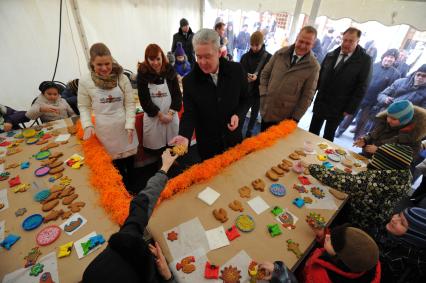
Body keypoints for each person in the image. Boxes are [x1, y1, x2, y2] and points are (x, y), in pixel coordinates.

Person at [83, 149, 178, 283]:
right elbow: (140, 206)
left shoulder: (91, 275)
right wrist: (168, 277)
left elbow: (140, 206)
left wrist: (164, 168)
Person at [170, 29, 250, 161]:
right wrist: (184, 135)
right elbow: (190, 113)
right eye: (198, 56)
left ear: (219, 52)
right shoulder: (189, 81)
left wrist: (238, 114)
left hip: (233, 139)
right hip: (208, 146)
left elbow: (246, 99)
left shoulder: (236, 70)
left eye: (207, 56)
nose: (202, 62)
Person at [309, 143, 413, 231]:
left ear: (385, 164)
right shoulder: (405, 175)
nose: (372, 158)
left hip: (362, 219)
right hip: (381, 213)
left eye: (376, 157)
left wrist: (312, 167)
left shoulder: (374, 183)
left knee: (341, 228)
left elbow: (339, 181)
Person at [78, 43, 138, 191]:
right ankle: (121, 189)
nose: (104, 68)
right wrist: (87, 125)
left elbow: (130, 104)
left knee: (130, 160)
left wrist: (130, 124)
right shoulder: (85, 81)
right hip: (104, 129)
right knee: (115, 164)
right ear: (92, 63)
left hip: (124, 125)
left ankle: (133, 186)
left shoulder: (122, 78)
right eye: (99, 64)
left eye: (107, 64)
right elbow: (84, 106)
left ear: (112, 61)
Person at [309, 27, 372, 142]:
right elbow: (319, 77)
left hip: (340, 106)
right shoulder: (331, 54)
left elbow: (362, 87)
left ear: (358, 41)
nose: (346, 44)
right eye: (345, 40)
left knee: (328, 135)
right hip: (322, 101)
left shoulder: (365, 60)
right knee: (312, 131)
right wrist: (311, 96)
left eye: (351, 41)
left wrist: (350, 109)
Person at [259, 26, 320, 131]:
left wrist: (295, 118)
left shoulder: (313, 66)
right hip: (267, 109)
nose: (302, 45)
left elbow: (307, 97)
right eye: (301, 41)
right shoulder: (280, 53)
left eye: (308, 43)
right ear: (296, 38)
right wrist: (264, 94)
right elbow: (265, 74)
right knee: (261, 142)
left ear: (313, 44)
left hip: (285, 117)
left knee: (278, 146)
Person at [335, 49, 401, 139]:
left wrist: (381, 103)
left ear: (395, 60)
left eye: (392, 58)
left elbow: (392, 90)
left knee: (363, 120)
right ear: (383, 57)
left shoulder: (395, 74)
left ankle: (357, 137)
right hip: (360, 96)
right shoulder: (372, 66)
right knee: (349, 116)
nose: (389, 59)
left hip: (373, 101)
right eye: (388, 56)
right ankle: (340, 131)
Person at [137, 44, 182, 155]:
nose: (156, 63)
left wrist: (170, 114)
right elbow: (144, 100)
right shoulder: (143, 74)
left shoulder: (169, 70)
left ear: (162, 57)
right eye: (151, 59)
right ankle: (160, 165)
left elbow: (177, 95)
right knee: (157, 149)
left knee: (173, 144)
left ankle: (172, 163)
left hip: (171, 114)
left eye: (158, 59)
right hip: (154, 117)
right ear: (147, 60)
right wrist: (160, 115)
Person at [354, 100, 426, 158]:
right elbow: (373, 135)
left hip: (385, 170)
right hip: (367, 159)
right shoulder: (385, 122)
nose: (389, 120)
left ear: (404, 120)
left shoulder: (413, 136)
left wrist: (380, 151)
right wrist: (365, 140)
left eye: (394, 119)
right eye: (388, 116)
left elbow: (405, 157)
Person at [371, 207, 426, 282]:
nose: (394, 219)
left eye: (402, 223)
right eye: (399, 215)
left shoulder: (396, 262)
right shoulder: (392, 232)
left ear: (412, 236)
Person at [240, 31, 272, 137]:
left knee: (254, 114)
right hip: (246, 90)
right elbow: (240, 71)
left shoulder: (269, 58)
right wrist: (245, 77)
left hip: (259, 91)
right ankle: (239, 132)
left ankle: (249, 133)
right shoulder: (245, 56)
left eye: (256, 45)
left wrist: (257, 78)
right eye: (252, 45)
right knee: (242, 113)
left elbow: (270, 77)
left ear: (262, 43)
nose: (254, 48)